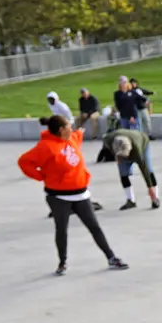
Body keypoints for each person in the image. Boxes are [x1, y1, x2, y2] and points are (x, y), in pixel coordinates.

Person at [17, 115, 128, 275]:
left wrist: (82, 128)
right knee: (62, 229)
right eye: (69, 126)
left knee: (94, 227)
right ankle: (62, 262)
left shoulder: (72, 139)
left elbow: (78, 134)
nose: (72, 128)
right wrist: (41, 176)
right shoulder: (46, 147)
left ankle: (111, 257)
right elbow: (24, 161)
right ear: (61, 130)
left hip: (81, 194)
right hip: (59, 197)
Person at [103, 128, 160, 210]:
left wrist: (149, 187)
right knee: (123, 173)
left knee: (149, 170)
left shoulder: (137, 149)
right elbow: (108, 146)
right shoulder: (108, 139)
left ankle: (155, 198)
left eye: (126, 155)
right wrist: (116, 156)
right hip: (120, 146)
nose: (126, 157)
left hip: (142, 142)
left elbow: (144, 169)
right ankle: (131, 201)